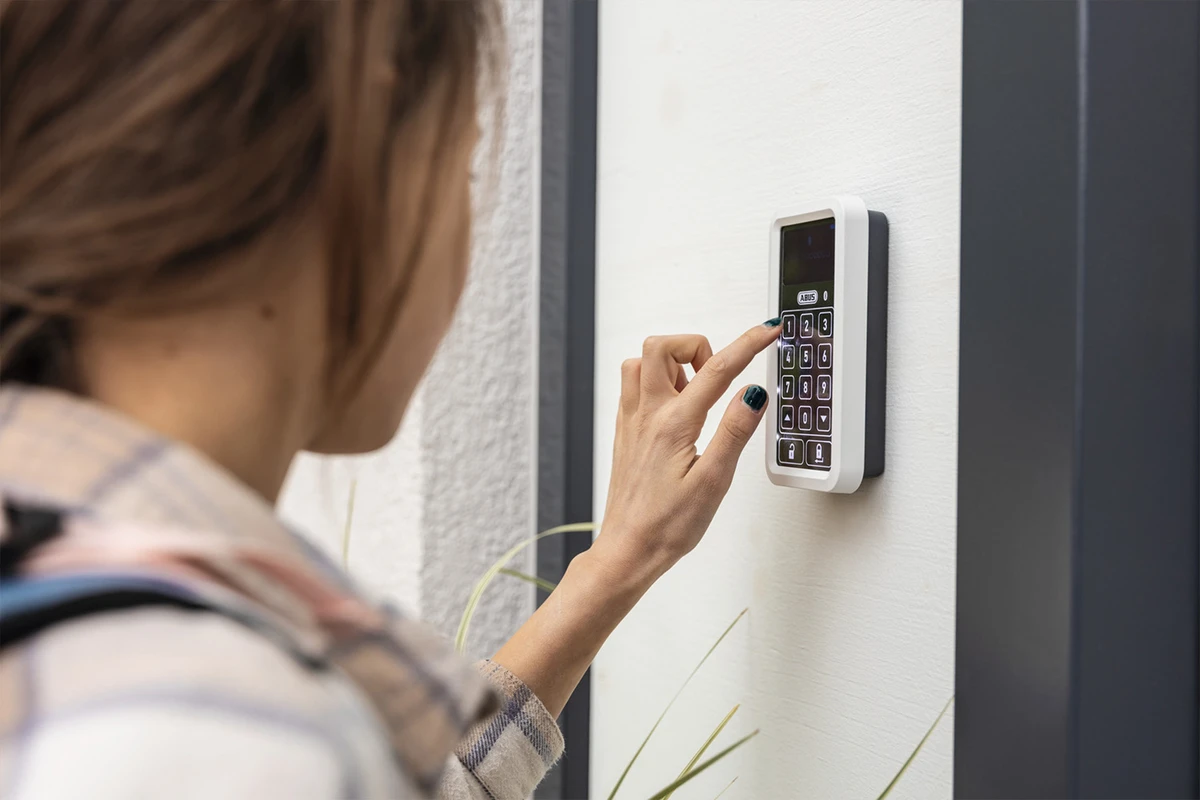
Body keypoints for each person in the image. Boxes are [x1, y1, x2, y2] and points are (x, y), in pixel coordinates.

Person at [0, 2, 779, 797]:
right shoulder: (229, 734)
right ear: (364, 147)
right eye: (464, 164)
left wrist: (618, 561)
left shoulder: (67, 589)